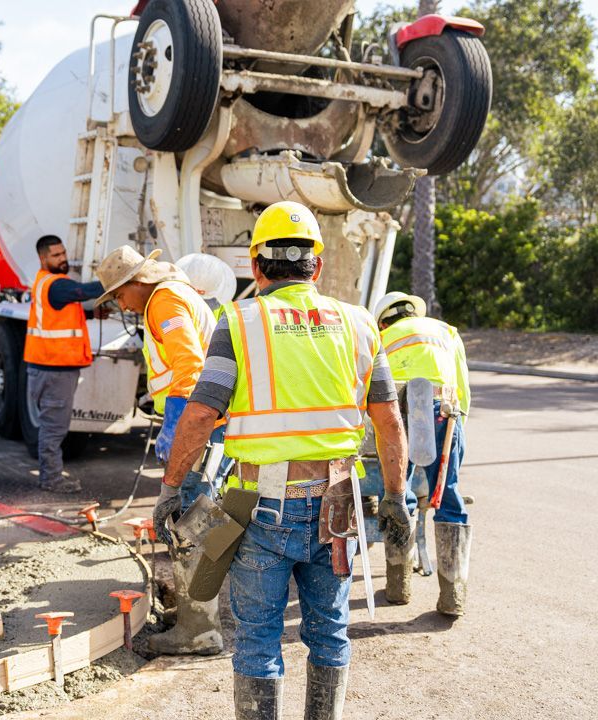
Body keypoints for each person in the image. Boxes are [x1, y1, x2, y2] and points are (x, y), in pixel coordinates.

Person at [156, 201, 410, 719]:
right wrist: (395, 497)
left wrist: (170, 489)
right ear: (315, 265)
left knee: (257, 642)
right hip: (337, 507)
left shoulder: (240, 321)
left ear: (256, 265)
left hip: (260, 507)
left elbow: (202, 415)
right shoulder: (360, 323)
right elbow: (389, 422)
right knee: (329, 633)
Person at [94, 245, 222, 655]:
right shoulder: (177, 294)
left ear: (138, 282)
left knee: (188, 524)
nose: (121, 303)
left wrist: (176, 422)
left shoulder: (163, 300)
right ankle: (195, 614)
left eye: (118, 294)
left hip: (197, 424)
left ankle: (198, 631)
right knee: (202, 518)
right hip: (208, 422)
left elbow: (190, 363)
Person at [372, 290, 472, 617]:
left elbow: (372, 393)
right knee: (447, 494)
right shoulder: (447, 331)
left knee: (399, 494)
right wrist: (457, 441)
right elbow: (464, 390)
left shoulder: (381, 336)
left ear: (385, 319)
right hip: (445, 411)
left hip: (400, 414)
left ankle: (399, 586)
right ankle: (452, 595)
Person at [24, 235, 104, 494]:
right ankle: (51, 479)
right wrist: (119, 280)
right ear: (43, 258)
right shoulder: (57, 285)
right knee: (54, 428)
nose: (62, 259)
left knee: (50, 426)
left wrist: (93, 313)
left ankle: (51, 474)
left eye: (63, 253)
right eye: (56, 255)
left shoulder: (44, 283)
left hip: (45, 366)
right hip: (54, 369)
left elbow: (63, 313)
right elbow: (86, 291)